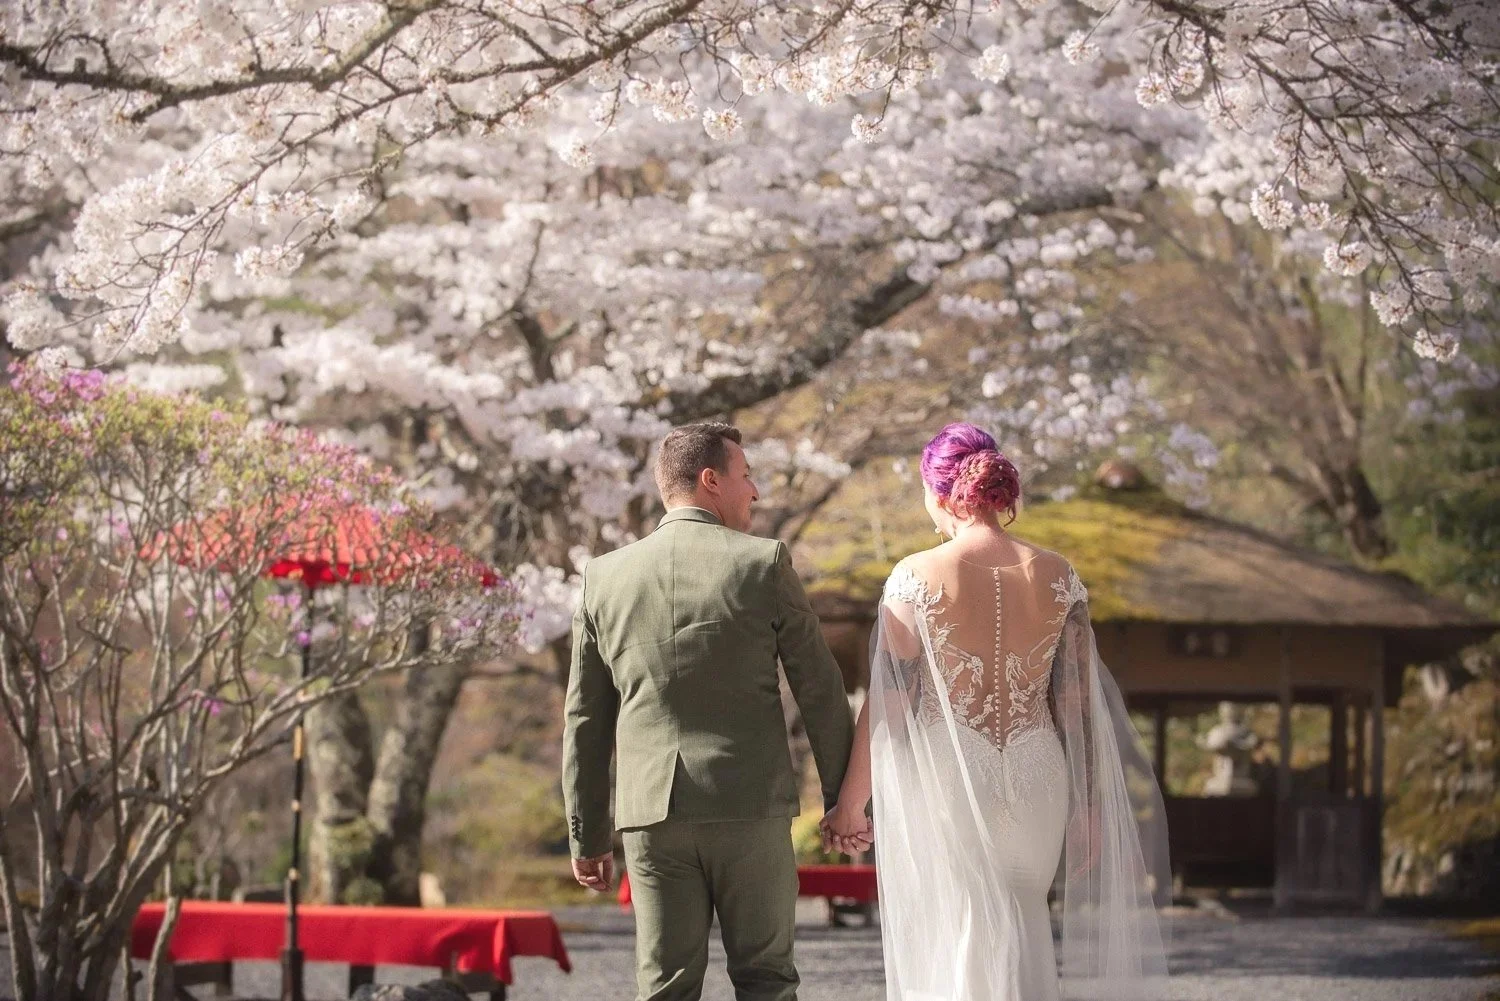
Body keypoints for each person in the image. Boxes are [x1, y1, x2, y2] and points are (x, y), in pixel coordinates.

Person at [821, 421, 1170, 1001]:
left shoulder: (916, 577)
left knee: (962, 922)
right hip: (1039, 772)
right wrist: (1089, 806)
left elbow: (891, 698)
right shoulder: (1060, 576)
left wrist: (852, 801)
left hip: (951, 774)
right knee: (1023, 916)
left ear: (939, 494)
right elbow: (1076, 703)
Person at [563, 421, 859, 1001]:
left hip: (650, 814)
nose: (754, 491)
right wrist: (843, 802)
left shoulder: (604, 577)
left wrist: (587, 834)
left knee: (665, 987)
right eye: (745, 477)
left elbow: (585, 720)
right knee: (766, 982)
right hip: (747, 804)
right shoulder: (763, 563)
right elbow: (820, 688)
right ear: (710, 481)